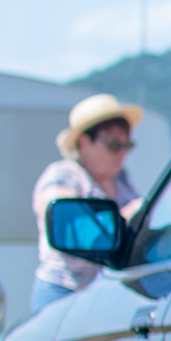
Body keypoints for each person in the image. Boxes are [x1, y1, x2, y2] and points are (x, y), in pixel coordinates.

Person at [32, 94, 144, 311]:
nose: (121, 154)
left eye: (126, 145)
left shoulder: (121, 179)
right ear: (84, 142)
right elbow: (57, 214)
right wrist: (126, 218)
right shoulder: (64, 175)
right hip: (65, 295)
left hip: (106, 295)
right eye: (113, 145)